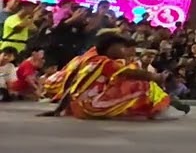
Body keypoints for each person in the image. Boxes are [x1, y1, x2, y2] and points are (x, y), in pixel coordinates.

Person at [58, 34, 189, 120]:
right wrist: (156, 77)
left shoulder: (91, 60)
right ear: (111, 48)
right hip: (90, 107)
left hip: (77, 106)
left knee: (126, 84)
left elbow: (71, 82)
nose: (124, 51)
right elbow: (130, 73)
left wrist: (59, 108)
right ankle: (160, 109)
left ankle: (165, 103)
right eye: (122, 47)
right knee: (142, 85)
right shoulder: (105, 62)